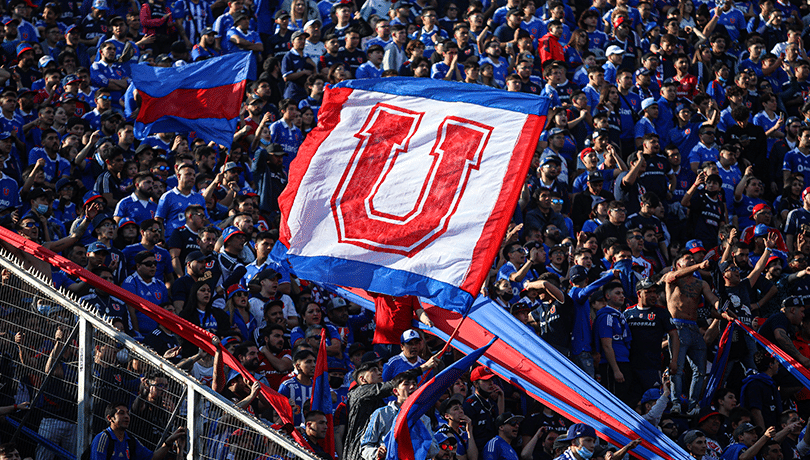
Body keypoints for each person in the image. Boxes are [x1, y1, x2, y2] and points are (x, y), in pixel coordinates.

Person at [89, 402, 186, 460]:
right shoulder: (102, 439)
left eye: (127, 413)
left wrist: (169, 441)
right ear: (110, 418)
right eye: (121, 413)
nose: (126, 416)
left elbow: (152, 457)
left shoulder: (130, 440)